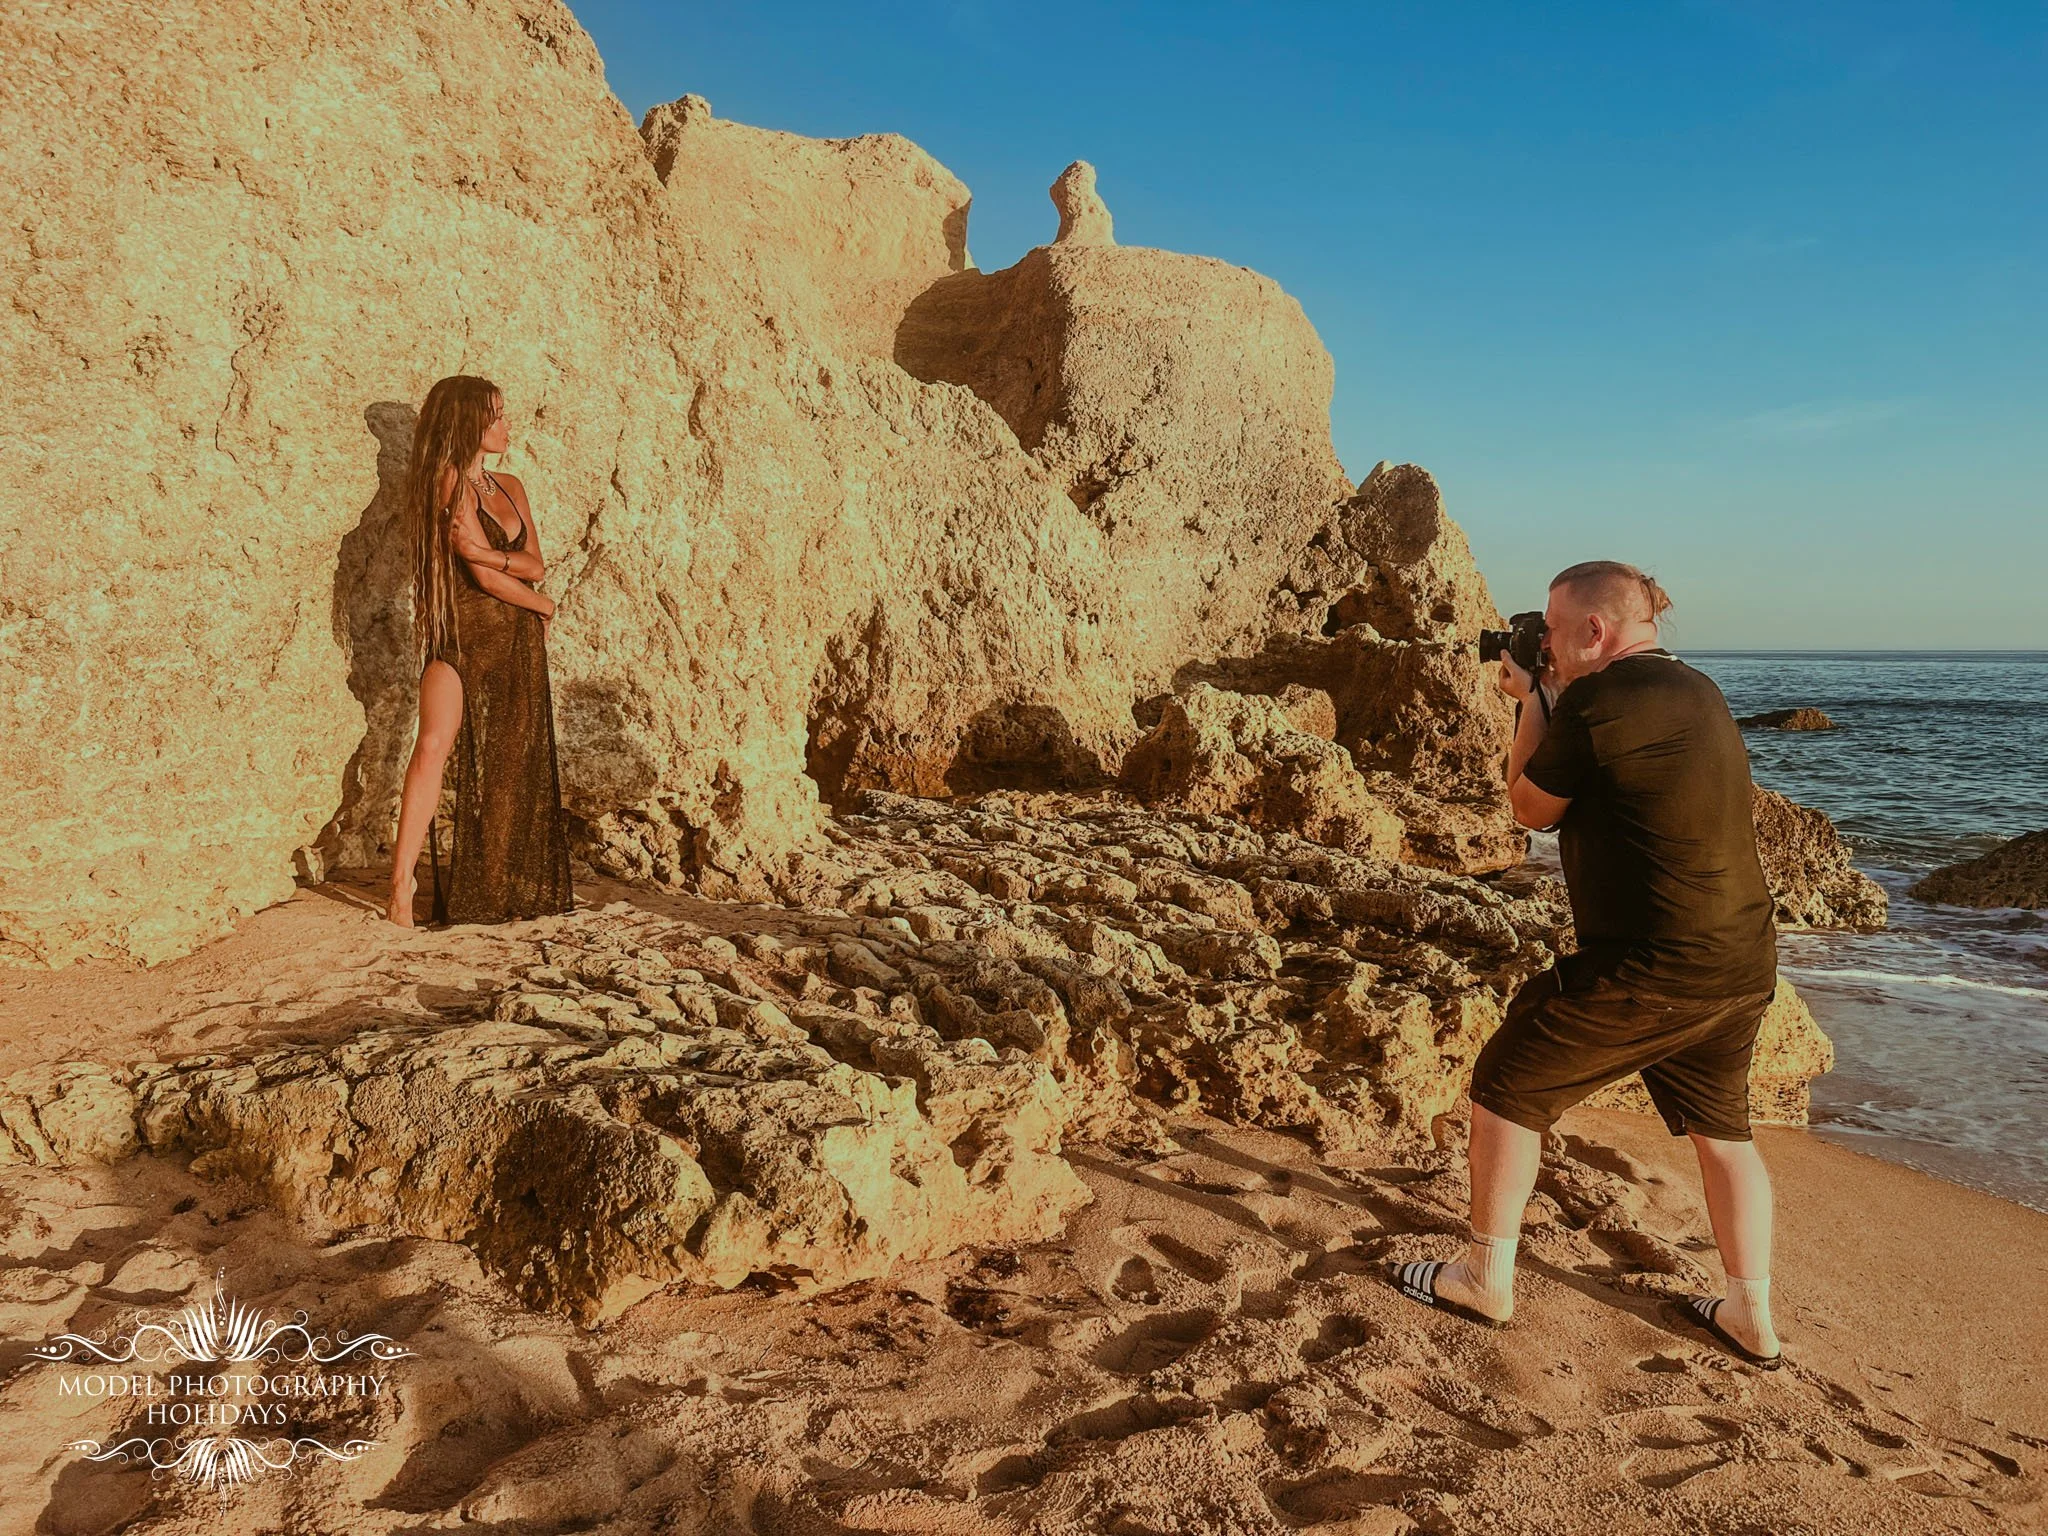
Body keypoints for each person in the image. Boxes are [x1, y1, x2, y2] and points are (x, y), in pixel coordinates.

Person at [1392, 560, 1784, 1367]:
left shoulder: (1601, 701)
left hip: (1651, 965)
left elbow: (1528, 806)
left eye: (1552, 627)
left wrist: (1534, 701)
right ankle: (1751, 1316)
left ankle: (1483, 1280)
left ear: (1594, 631)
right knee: (1723, 1132)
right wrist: (1549, 689)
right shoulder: (1695, 690)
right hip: (1740, 960)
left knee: (1506, 1086)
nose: (1546, 643)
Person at [385, 375, 573, 927]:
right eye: (494, 416)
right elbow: (485, 580)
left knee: (511, 764)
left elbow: (533, 565)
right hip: (462, 635)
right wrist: (543, 605)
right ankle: (400, 888)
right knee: (432, 749)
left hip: (513, 639)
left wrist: (489, 556)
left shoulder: (511, 486)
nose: (505, 425)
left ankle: (495, 886)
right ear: (467, 422)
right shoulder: (445, 481)